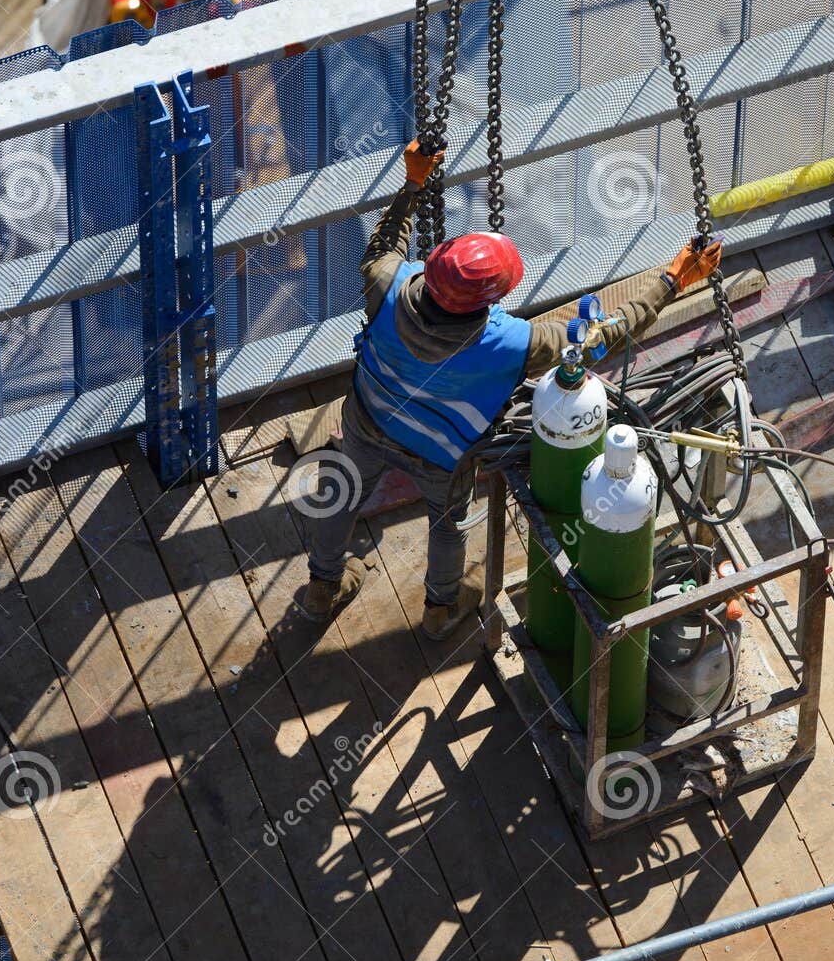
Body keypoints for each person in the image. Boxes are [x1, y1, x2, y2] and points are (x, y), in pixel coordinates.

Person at [297, 140, 723, 639]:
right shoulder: (509, 342)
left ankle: (321, 589)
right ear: (488, 301)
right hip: (441, 452)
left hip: (368, 417)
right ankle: (442, 609)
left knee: (344, 494)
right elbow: (603, 338)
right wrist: (672, 280)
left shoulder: (387, 282)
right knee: (447, 523)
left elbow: (386, 242)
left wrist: (414, 180)